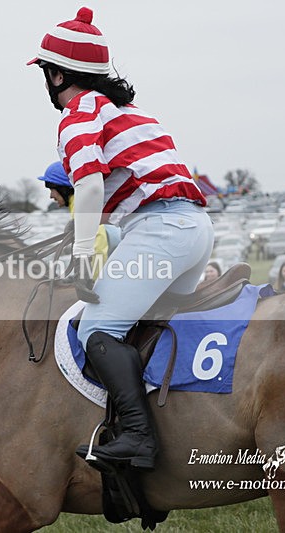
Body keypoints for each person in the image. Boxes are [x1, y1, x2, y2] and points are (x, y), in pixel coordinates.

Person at [28, 7, 213, 471]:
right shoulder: (130, 112)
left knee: (96, 328)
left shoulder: (77, 114)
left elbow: (88, 187)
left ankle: (137, 438)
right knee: (141, 330)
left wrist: (80, 255)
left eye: (45, 73)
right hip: (192, 230)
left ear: (55, 75)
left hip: (161, 231)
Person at [37, 161, 118, 271]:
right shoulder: (80, 204)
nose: (51, 196)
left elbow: (98, 245)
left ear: (63, 188)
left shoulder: (81, 205)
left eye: (52, 189)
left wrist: (91, 280)